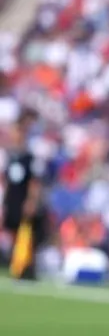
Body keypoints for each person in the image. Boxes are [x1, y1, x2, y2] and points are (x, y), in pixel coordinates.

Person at [1, 115, 45, 280]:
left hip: (23, 199)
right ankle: (16, 264)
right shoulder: (11, 156)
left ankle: (28, 268)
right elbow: (7, 181)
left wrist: (31, 201)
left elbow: (34, 181)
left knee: (26, 234)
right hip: (12, 200)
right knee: (12, 233)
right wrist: (4, 203)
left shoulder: (29, 157)